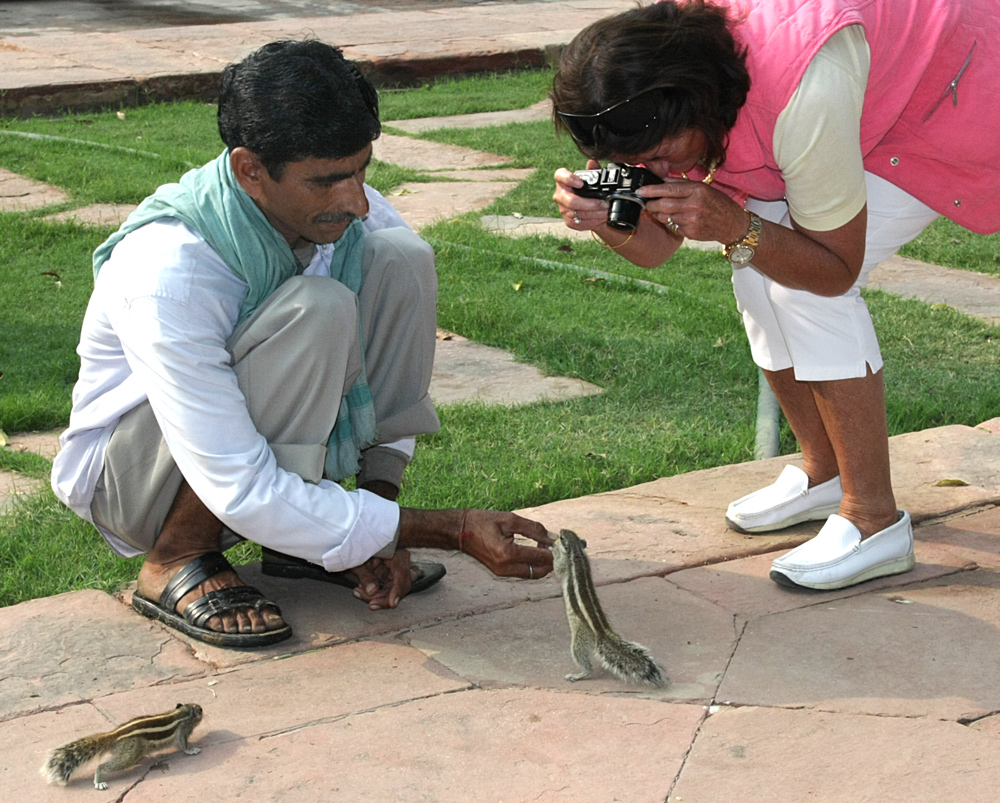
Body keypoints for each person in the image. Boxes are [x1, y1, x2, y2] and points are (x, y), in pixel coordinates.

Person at [51, 39, 554, 649]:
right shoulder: (169, 271)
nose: (357, 200)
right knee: (316, 309)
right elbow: (237, 482)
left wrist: (377, 530)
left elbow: (388, 303)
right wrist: (450, 529)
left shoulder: (345, 214)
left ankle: (309, 545)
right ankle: (176, 557)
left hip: (239, 465)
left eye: (362, 169)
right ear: (249, 170)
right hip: (138, 480)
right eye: (327, 181)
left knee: (401, 259)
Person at [551, 0, 999, 590]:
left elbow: (835, 269)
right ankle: (827, 473)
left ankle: (874, 522)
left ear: (703, 104)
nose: (650, 170)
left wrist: (737, 226)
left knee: (807, 292)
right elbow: (660, 248)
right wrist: (607, 221)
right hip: (860, 85)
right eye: (628, 162)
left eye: (658, 157)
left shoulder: (801, 92)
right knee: (757, 268)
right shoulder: (672, 86)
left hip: (953, 85)